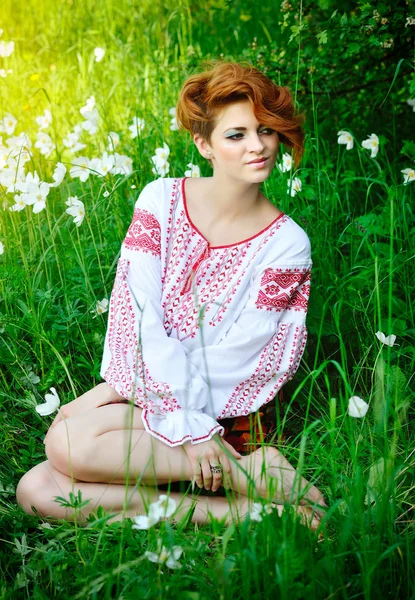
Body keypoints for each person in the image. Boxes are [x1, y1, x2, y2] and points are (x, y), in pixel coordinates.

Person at [16, 60, 326, 529]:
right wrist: (124, 392)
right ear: (204, 144)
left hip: (224, 416)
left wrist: (194, 426)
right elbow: (137, 316)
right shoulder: (159, 200)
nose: (257, 146)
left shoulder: (286, 244)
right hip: (151, 395)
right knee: (36, 491)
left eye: (265, 130)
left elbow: (243, 357)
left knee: (67, 444)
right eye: (236, 135)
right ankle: (241, 506)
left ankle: (240, 464)